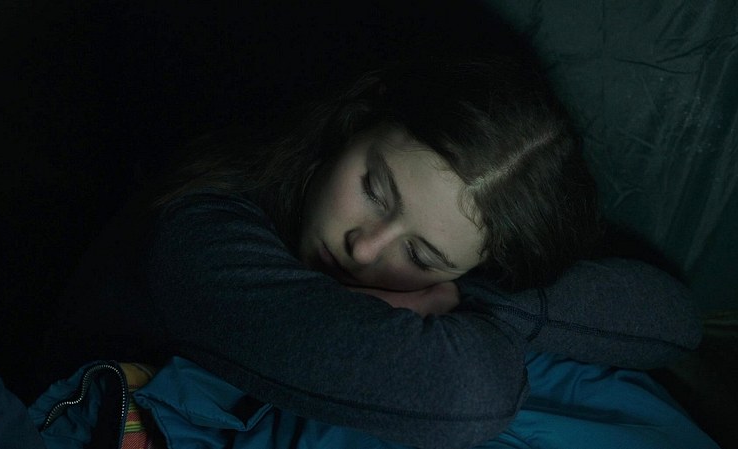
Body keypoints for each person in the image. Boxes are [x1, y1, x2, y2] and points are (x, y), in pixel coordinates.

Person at [41, 56, 701, 449]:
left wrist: (472, 295)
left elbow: (674, 320)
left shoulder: (464, 269)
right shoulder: (202, 224)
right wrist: (438, 293)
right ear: (358, 120)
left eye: (421, 252)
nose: (364, 246)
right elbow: (469, 393)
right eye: (373, 189)